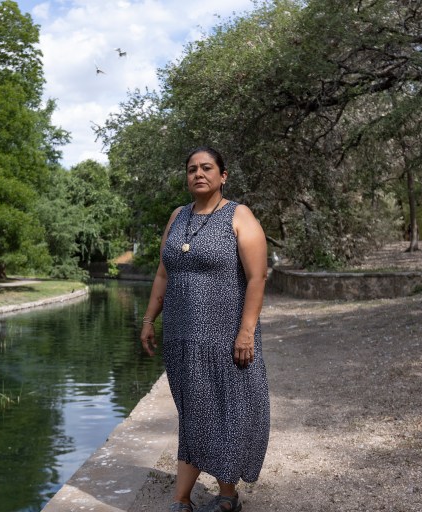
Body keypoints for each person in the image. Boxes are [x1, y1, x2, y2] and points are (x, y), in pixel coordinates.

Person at [140, 146, 270, 512]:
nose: (198, 173)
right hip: (181, 337)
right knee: (193, 411)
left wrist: (246, 332)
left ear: (223, 175)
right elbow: (163, 273)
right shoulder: (177, 216)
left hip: (225, 336)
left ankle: (226, 495)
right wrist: (149, 319)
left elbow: (257, 277)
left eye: (207, 168)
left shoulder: (238, 215)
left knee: (227, 409)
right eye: (192, 169)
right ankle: (184, 497)